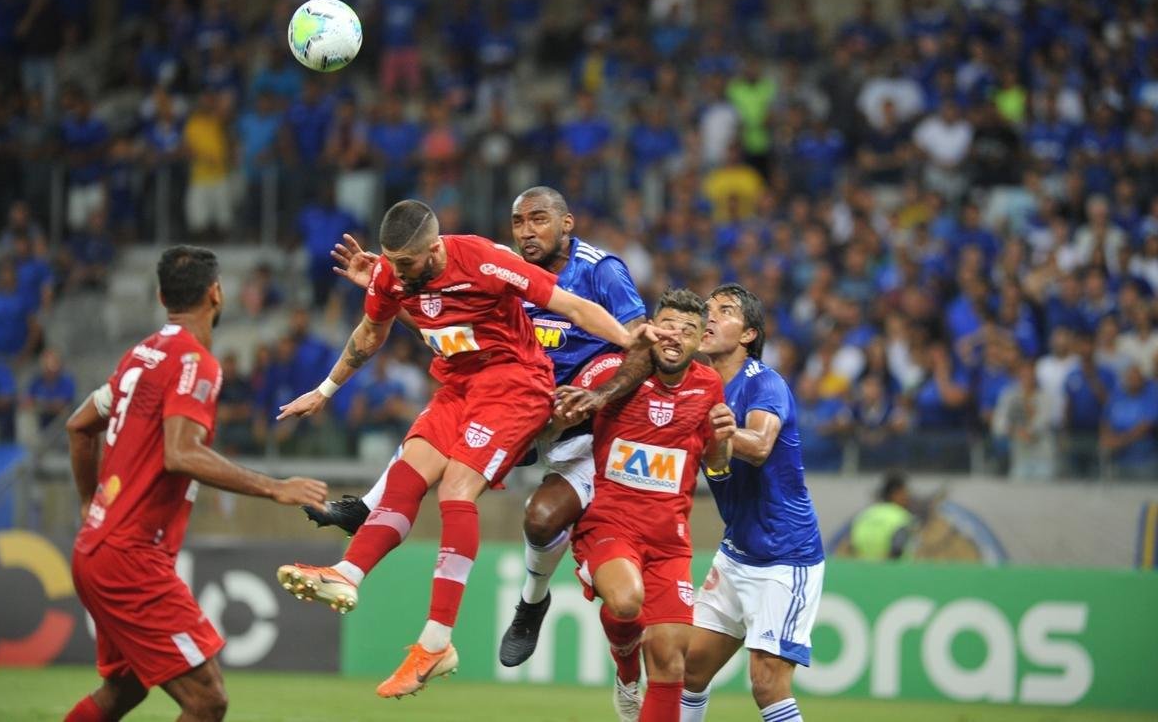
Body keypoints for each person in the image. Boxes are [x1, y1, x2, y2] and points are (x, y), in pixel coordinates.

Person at [273, 200, 668, 699]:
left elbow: (572, 307)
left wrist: (631, 339)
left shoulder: (483, 259)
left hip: (516, 386)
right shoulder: (390, 276)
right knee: (408, 472)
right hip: (457, 387)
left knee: (457, 489)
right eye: (392, 263)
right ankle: (346, 574)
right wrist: (326, 389)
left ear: (434, 249)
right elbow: (371, 333)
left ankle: (437, 641)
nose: (398, 273)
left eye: (408, 264)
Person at [62, 246, 327, 722]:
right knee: (207, 700)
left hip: (97, 547)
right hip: (131, 557)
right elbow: (180, 452)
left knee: (124, 689)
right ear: (217, 293)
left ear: (162, 296)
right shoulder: (195, 363)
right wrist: (274, 487)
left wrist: (88, 503)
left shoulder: (138, 357)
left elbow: (79, 426)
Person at [556, 283, 824, 722]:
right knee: (689, 668)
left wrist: (717, 432)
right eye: (709, 310)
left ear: (748, 335)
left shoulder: (762, 382)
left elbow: (758, 446)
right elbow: (715, 466)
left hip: (785, 554)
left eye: (726, 311)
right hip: (737, 551)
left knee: (767, 683)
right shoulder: (700, 385)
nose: (712, 316)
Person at [557, 289, 732, 722]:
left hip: (670, 541)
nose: (675, 336)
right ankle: (624, 668)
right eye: (668, 325)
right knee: (626, 601)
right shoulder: (614, 370)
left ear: (698, 342)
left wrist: (724, 441)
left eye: (688, 330)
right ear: (652, 328)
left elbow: (715, 463)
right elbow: (560, 417)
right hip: (610, 523)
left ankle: (635, 678)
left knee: (672, 657)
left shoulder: (709, 385)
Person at [849, 471, 917, 561]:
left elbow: (850, 547)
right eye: (906, 492)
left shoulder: (865, 515)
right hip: (893, 572)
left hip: (861, 570)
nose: (908, 497)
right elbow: (897, 550)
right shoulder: (902, 518)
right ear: (897, 493)